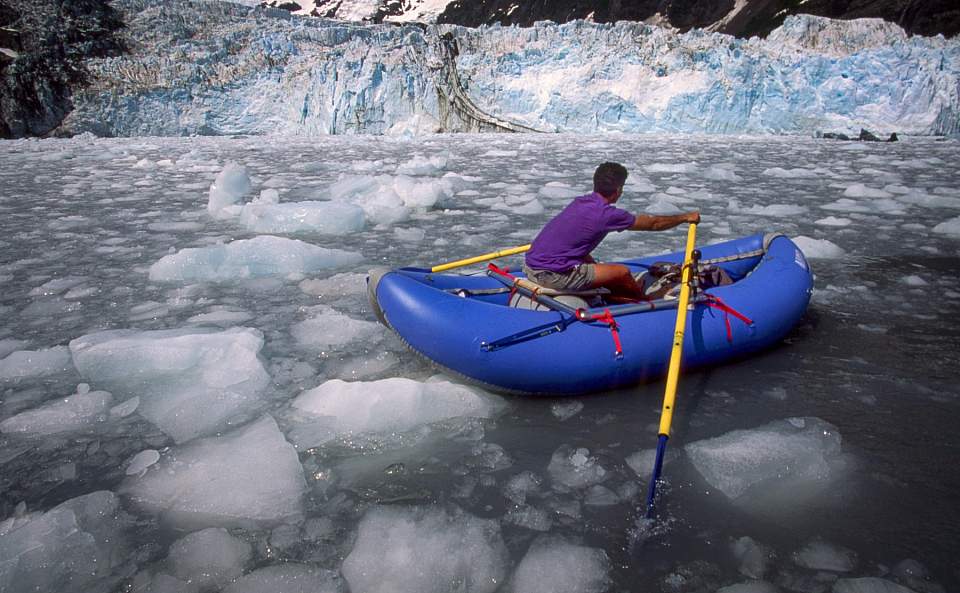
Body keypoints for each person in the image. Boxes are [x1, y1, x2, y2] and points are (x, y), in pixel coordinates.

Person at [523, 162, 700, 303]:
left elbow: (577, 244)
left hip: (531, 267)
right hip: (553, 275)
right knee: (621, 272)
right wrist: (685, 217)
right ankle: (642, 302)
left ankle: (614, 293)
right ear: (618, 191)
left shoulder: (580, 202)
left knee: (599, 266)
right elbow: (654, 224)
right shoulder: (605, 214)